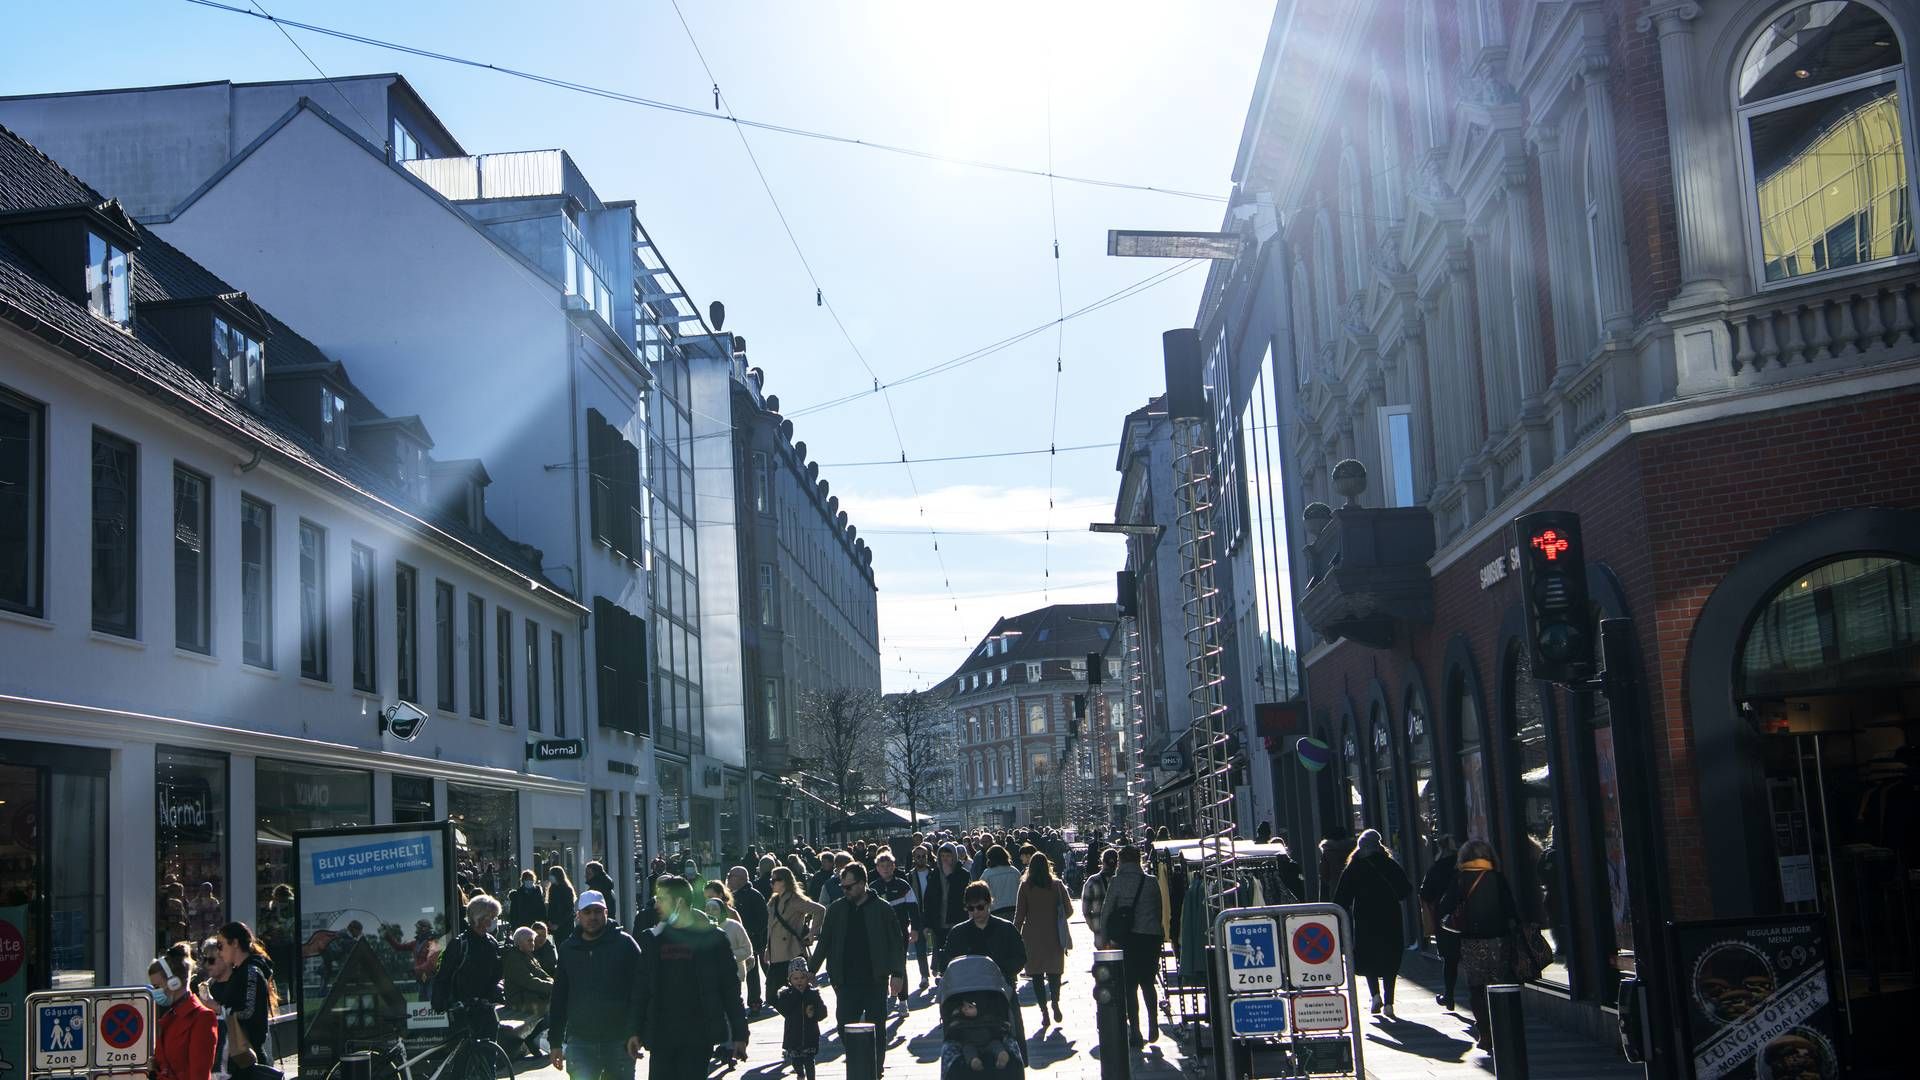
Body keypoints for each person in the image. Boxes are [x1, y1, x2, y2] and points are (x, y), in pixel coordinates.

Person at [636, 876, 748, 1078]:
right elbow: (641, 989)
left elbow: (730, 989)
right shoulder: (653, 939)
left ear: (679, 902)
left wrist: (740, 1034)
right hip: (661, 1036)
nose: (656, 905)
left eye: (661, 899)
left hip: (698, 1035)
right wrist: (634, 1031)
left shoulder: (713, 939)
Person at [810, 863, 907, 1075]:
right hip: (844, 980)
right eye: (843, 887)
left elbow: (896, 943)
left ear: (862, 884)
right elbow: (824, 941)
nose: (845, 891)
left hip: (875, 979)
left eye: (849, 887)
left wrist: (897, 974)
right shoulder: (836, 909)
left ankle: (876, 1068)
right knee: (844, 1025)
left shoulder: (882, 908)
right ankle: (857, 1061)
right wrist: (811, 969)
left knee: (877, 1028)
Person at [1437, 840, 1523, 1053]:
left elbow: (1445, 906)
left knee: (1476, 987)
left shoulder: (1460, 880)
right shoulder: (1497, 878)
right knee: (1499, 984)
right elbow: (1511, 908)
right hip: (1499, 939)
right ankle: (1502, 1029)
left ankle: (1485, 1033)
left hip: (1471, 940)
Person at [1334, 828, 1413, 1018]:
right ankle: (1389, 1003)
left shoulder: (1354, 867)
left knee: (1368, 956)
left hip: (1364, 919)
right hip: (1390, 917)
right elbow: (1405, 890)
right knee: (1390, 958)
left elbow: (1341, 898)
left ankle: (1375, 995)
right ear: (1378, 845)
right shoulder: (1388, 863)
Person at [1101, 846, 1164, 1047]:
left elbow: (1107, 911)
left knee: (1129, 985)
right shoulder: (1151, 881)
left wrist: (1104, 938)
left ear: (1121, 861)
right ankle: (1153, 1023)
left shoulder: (1117, 882)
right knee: (1148, 982)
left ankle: (1135, 1030)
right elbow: (1158, 909)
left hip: (1127, 940)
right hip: (1150, 938)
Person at [430, 895, 506, 1040]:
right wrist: (441, 1002)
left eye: (494, 917)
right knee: (463, 1053)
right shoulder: (459, 944)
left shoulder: (492, 942)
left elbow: (498, 974)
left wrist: (495, 993)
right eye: (490, 917)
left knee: (490, 1052)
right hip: (462, 1009)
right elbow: (444, 975)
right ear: (478, 917)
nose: (493, 921)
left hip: (485, 1007)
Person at [1012, 852, 1074, 1030]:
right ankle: (1055, 1001)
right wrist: (1057, 915)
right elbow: (1069, 910)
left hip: (1032, 935)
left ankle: (1044, 1010)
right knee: (1055, 972)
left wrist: (1015, 933)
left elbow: (1019, 915)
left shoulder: (1025, 886)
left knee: (1037, 975)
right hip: (1054, 933)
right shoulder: (1057, 885)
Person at [212, 922, 278, 1074]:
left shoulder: (251, 972)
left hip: (248, 1057)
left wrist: (218, 1008)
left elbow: (249, 1013)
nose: (219, 952)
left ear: (234, 943)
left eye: (221, 945)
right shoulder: (241, 972)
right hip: (239, 1057)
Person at [935, 882, 1026, 987]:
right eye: (971, 908)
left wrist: (1000, 970)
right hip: (968, 989)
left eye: (980, 907)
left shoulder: (1006, 928)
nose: (976, 912)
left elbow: (1020, 957)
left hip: (1001, 987)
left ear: (989, 903)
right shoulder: (957, 932)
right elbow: (947, 961)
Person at [151, 945, 218, 1080]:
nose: (155, 992)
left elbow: (199, 1075)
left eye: (157, 986)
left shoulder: (203, 1018)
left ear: (173, 983)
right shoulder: (169, 1016)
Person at [869, 851, 918, 1013]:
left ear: (894, 866)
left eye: (889, 866)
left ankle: (903, 1001)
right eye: (882, 866)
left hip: (900, 933)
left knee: (900, 966)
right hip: (879, 935)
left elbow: (914, 909)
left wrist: (915, 929)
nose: (886, 869)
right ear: (877, 868)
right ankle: (884, 998)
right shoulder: (873, 888)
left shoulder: (903, 885)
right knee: (880, 966)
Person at [1419, 835, 1463, 1010]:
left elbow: (1425, 893)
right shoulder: (1462, 868)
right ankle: (1481, 995)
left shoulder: (1436, 868)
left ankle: (1449, 995)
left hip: (1445, 919)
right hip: (1469, 916)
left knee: (1450, 959)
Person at [764, 866, 826, 975]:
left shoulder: (794, 900)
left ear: (784, 881)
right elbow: (771, 928)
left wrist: (812, 933)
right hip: (776, 953)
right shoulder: (774, 900)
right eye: (770, 880)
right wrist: (767, 949)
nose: (771, 883)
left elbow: (820, 910)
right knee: (772, 990)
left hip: (791, 952)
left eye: (774, 880)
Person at [505, 926, 555, 1057]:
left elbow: (543, 975)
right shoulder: (514, 958)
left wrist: (553, 984)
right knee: (551, 1006)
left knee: (555, 1003)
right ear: (519, 942)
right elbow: (528, 981)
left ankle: (534, 1037)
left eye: (533, 940)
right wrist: (552, 987)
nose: (533, 943)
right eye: (529, 941)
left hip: (530, 995)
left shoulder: (529, 956)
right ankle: (531, 1038)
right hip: (519, 999)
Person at [725, 866, 770, 1012]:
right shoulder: (729, 895)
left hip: (755, 940)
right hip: (737, 939)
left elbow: (763, 919)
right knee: (746, 971)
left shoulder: (754, 895)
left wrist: (753, 933)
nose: (728, 878)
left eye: (731, 875)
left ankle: (756, 1001)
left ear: (741, 879)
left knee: (755, 970)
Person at [775, 958, 827, 1080]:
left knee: (809, 1061)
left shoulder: (813, 994)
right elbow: (784, 1009)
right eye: (795, 978)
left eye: (802, 978)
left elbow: (823, 1013)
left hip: (810, 1035)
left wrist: (814, 1012)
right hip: (793, 1035)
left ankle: (810, 1077)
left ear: (807, 978)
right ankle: (800, 1073)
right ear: (790, 980)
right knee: (796, 1061)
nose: (799, 981)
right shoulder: (786, 994)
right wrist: (796, 994)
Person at [920, 844, 970, 968]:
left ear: (954, 856)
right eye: (942, 856)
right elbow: (928, 900)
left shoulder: (963, 874)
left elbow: (962, 894)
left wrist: (950, 876)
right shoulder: (934, 874)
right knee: (941, 951)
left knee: (957, 951)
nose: (945, 859)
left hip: (957, 919)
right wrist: (927, 924)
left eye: (948, 856)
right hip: (939, 921)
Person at [703, 889, 756, 991]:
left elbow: (747, 950)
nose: (710, 912)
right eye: (707, 909)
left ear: (721, 910)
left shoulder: (734, 926)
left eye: (714, 909)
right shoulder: (704, 928)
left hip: (733, 974)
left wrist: (728, 955)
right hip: (712, 976)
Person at [1081, 848, 1119, 948]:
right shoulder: (1122, 880)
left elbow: (1085, 910)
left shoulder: (1092, 881)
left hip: (1100, 933)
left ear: (1102, 861)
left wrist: (1094, 926)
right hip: (1120, 932)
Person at [979, 846, 1020, 919]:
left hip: (996, 910)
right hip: (1015, 909)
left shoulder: (987, 874)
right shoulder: (1015, 871)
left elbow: (981, 893)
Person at [546, 866, 578, 944]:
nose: (550, 877)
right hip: (555, 926)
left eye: (551, 874)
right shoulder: (552, 888)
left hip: (565, 926)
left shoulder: (566, 889)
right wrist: (549, 921)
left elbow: (569, 910)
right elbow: (551, 907)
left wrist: (558, 924)